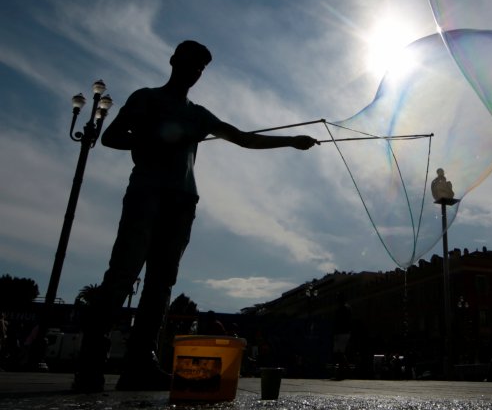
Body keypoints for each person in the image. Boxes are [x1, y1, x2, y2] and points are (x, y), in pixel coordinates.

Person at [72, 40, 317, 393]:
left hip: (183, 200)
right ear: (174, 61)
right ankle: (90, 365)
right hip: (147, 193)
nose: (195, 71)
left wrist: (291, 141)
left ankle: (141, 363)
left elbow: (243, 139)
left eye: (201, 67)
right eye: (191, 63)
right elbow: (111, 137)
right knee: (122, 275)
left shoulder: (199, 115)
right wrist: (153, 139)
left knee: (161, 283)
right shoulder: (146, 98)